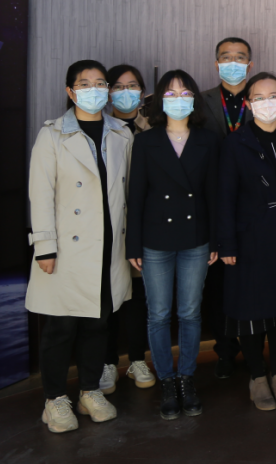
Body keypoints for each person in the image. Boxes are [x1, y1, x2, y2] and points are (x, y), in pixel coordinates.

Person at [26, 60, 133, 433]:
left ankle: (89, 390)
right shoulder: (52, 135)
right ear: (70, 91)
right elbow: (40, 194)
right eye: (84, 83)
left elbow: (129, 193)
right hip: (67, 249)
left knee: (98, 323)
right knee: (60, 327)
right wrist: (45, 247)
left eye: (100, 83)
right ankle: (54, 399)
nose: (94, 89)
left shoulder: (121, 133)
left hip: (109, 246)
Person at [127, 70, 222, 420]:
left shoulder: (209, 140)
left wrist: (216, 239)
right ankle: (167, 380)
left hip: (196, 238)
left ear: (194, 99)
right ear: (159, 100)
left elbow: (214, 195)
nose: (178, 99)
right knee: (158, 313)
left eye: (184, 93)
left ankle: (187, 377)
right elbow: (136, 197)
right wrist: (133, 245)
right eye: (170, 93)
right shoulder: (145, 141)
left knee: (190, 312)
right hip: (155, 240)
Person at [217, 72, 276, 411]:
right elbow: (225, 197)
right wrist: (227, 244)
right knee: (251, 309)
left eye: (273, 96)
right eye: (259, 97)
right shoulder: (235, 142)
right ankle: (257, 377)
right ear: (248, 103)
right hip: (250, 236)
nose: (267, 103)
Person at [199, 37, 253, 379]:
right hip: (213, 203)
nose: (233, 63)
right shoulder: (200, 101)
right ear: (217, 63)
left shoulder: (263, 98)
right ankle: (224, 349)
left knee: (250, 279)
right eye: (226, 57)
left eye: (240, 57)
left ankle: (253, 347)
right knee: (217, 283)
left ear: (250, 63)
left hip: (253, 204)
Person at [99, 64, 154, 395]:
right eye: (118, 87)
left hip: (145, 226)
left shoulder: (153, 128)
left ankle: (136, 359)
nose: (125, 93)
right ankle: (107, 362)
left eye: (132, 86)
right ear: (108, 93)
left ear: (143, 92)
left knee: (138, 298)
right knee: (108, 296)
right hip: (109, 226)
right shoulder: (100, 128)